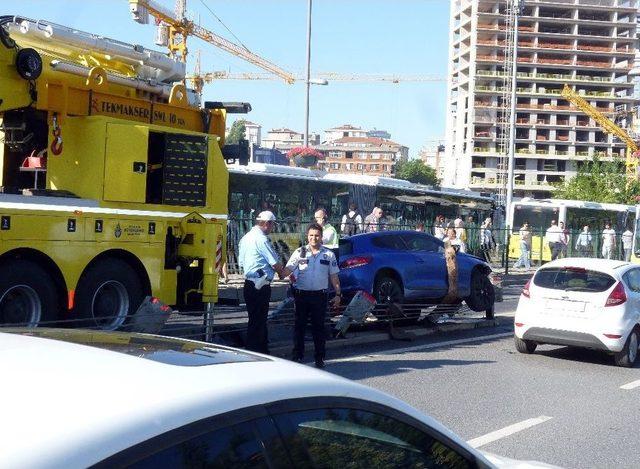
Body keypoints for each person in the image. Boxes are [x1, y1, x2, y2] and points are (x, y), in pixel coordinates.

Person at [286, 223, 341, 369]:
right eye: (311, 235)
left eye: (316, 235)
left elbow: (334, 276)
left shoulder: (328, 254)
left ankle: (319, 358)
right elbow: (288, 269)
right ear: (307, 236)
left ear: (321, 237)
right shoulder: (300, 252)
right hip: (301, 296)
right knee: (299, 327)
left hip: (319, 297)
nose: (313, 238)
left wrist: (337, 294)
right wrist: (274, 270)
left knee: (319, 328)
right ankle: (297, 356)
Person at [238, 211, 289, 354]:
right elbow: (275, 263)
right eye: (272, 225)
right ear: (267, 223)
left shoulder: (245, 238)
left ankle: (258, 348)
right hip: (260, 285)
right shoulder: (262, 240)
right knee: (259, 320)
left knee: (254, 319)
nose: (273, 228)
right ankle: (257, 352)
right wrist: (283, 272)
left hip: (249, 283)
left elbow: (241, 262)